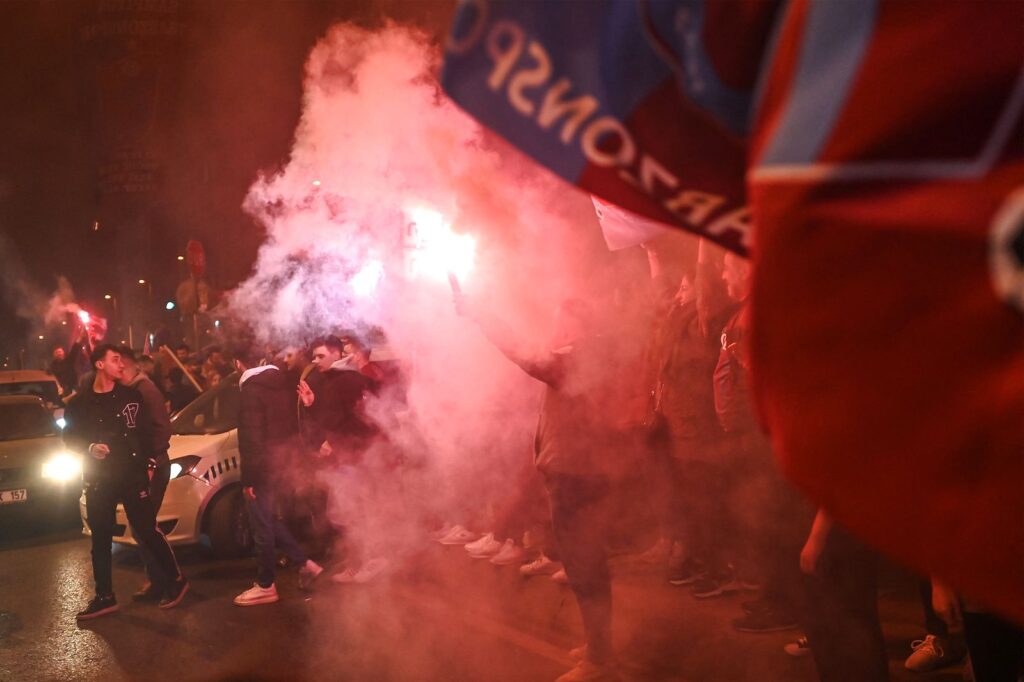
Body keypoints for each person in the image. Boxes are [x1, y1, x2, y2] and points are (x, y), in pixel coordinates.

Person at [456, 293, 635, 682]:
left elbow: (526, 356)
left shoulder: (580, 359)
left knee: (585, 568)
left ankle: (600, 662)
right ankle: (598, 647)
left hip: (576, 475)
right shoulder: (586, 355)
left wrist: (482, 316)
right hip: (576, 473)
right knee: (583, 565)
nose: (556, 328)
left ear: (578, 325)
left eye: (562, 321)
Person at [63, 344, 188, 619]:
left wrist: (152, 462)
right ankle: (105, 596)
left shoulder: (132, 396)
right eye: (115, 360)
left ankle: (176, 581)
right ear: (99, 364)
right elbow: (69, 439)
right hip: (99, 479)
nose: (121, 365)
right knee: (101, 537)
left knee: (146, 529)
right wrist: (89, 448)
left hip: (132, 475)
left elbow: (146, 433)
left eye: (122, 361)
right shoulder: (78, 404)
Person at [234, 358, 323, 606]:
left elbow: (252, 438)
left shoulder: (251, 390)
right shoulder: (283, 383)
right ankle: (306, 564)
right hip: (281, 467)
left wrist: (249, 478)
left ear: (239, 363)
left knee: (261, 525)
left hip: (262, 470)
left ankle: (266, 584)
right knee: (270, 520)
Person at [117, 346, 174, 602]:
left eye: (119, 367)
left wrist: (151, 463)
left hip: (154, 467)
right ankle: (156, 580)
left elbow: (162, 429)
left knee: (146, 528)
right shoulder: (131, 391)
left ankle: (168, 582)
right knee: (142, 527)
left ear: (129, 367)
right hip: (143, 467)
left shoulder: (145, 391)